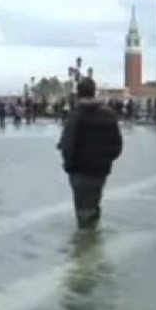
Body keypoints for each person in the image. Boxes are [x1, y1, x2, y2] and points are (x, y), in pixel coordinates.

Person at [57, 77, 123, 230]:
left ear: (79, 93)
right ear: (94, 92)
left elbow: (68, 143)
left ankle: (85, 246)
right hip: (100, 171)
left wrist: (69, 164)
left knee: (82, 209)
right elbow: (117, 145)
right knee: (94, 203)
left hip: (80, 170)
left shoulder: (76, 115)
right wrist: (106, 160)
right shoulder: (109, 115)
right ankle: (94, 237)